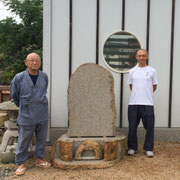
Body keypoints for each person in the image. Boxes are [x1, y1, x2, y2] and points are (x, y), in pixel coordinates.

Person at [10, 53, 51, 176]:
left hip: (42, 112)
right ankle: (21, 163)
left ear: (40, 62)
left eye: (37, 60)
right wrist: (23, 105)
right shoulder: (19, 77)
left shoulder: (44, 76)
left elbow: (43, 91)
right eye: (32, 60)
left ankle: (40, 159)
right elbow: (14, 95)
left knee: (42, 138)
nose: (35, 62)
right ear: (26, 62)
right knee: (23, 140)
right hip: (26, 113)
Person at [127, 49, 158, 157]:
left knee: (149, 127)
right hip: (133, 104)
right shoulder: (132, 71)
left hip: (148, 104)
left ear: (147, 57)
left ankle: (148, 148)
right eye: (139, 56)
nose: (141, 58)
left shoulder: (152, 71)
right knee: (132, 127)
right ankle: (132, 147)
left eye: (143, 56)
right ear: (136, 57)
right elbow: (131, 86)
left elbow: (154, 86)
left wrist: (146, 94)